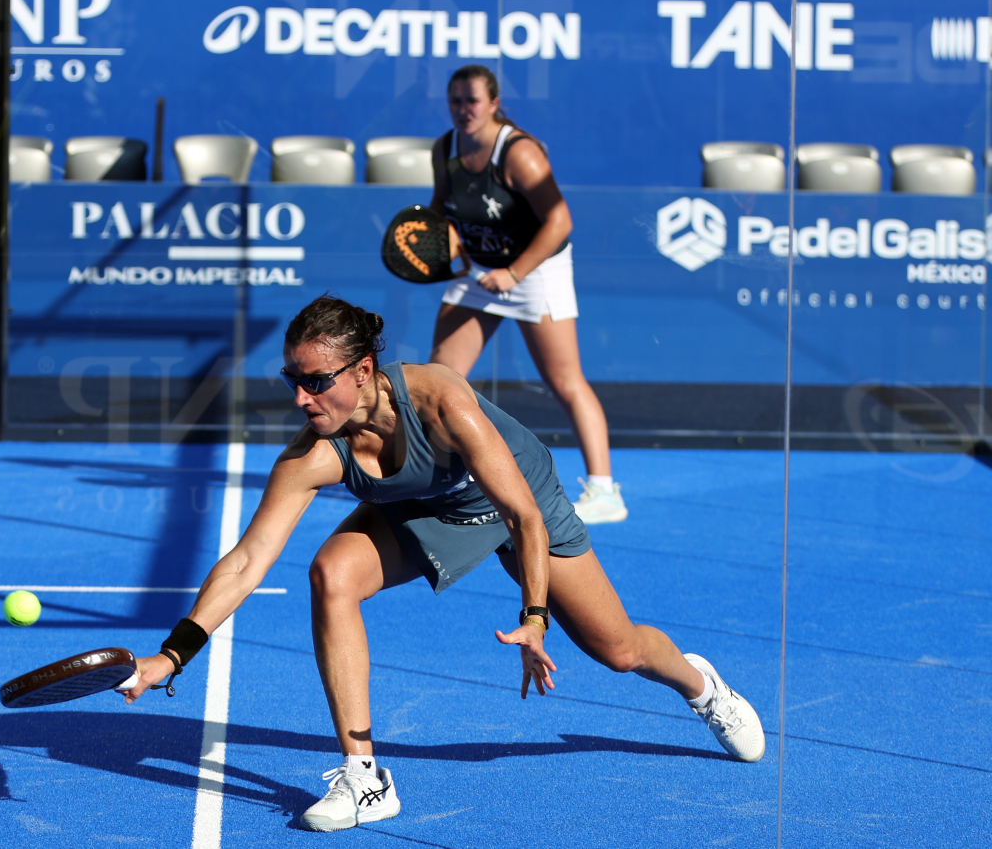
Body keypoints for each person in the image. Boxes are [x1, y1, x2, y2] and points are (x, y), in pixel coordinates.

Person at [119, 296, 764, 833]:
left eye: (316, 382)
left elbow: (524, 519)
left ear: (364, 371)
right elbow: (245, 561)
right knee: (331, 572)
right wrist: (169, 657)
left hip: (515, 500)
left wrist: (534, 618)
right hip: (427, 507)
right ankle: (365, 778)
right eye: (292, 381)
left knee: (619, 650)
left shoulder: (441, 402)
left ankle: (703, 688)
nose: (301, 398)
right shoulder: (311, 454)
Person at [428, 64, 626, 524]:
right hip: (478, 270)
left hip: (536, 270)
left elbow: (560, 221)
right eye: (455, 101)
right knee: (438, 379)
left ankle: (604, 491)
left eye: (471, 101)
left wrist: (514, 274)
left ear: (493, 104)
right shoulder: (445, 148)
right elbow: (442, 208)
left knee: (565, 382)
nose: (463, 110)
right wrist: (445, 242)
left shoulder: (520, 153)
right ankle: (439, 481)